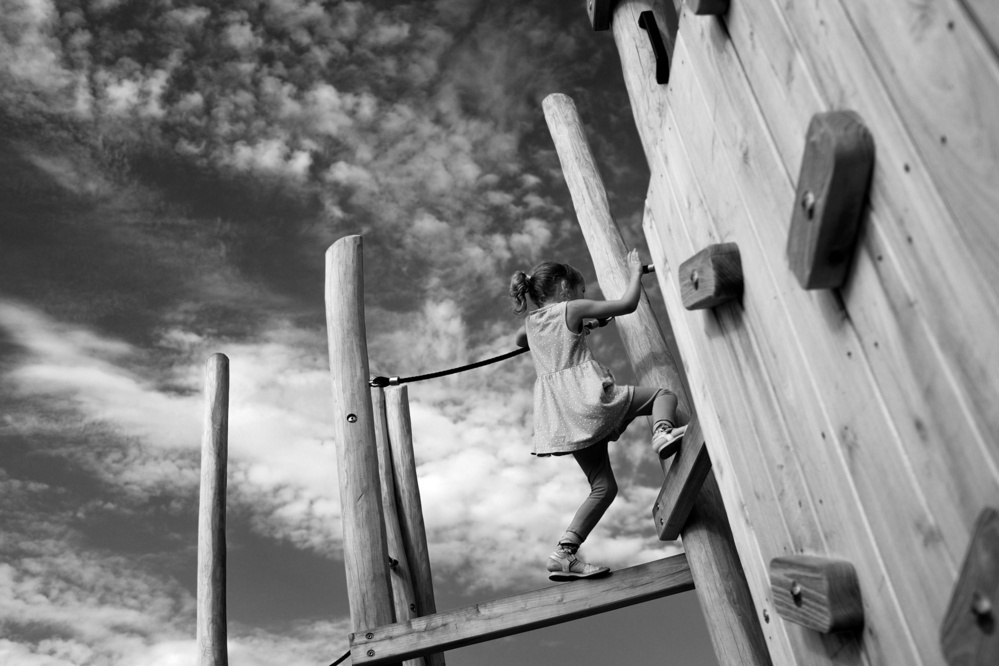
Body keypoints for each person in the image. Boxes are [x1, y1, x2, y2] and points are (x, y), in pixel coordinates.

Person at [509, 249, 686, 582]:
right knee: (664, 395)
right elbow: (626, 305)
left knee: (602, 487)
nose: (582, 297)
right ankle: (663, 431)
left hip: (563, 419)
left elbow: (522, 339)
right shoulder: (571, 308)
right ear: (564, 287)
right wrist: (634, 272)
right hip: (588, 401)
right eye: (581, 290)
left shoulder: (530, 325)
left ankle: (564, 553)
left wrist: (580, 327)